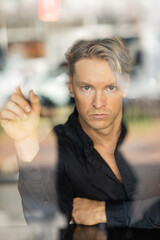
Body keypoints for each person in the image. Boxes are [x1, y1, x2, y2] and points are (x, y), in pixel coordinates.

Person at [0, 38, 160, 232]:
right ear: (71, 87)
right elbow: (44, 223)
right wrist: (25, 142)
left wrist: (106, 212)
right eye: (87, 88)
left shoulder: (152, 127)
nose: (98, 103)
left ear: (125, 86)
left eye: (110, 87)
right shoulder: (61, 146)